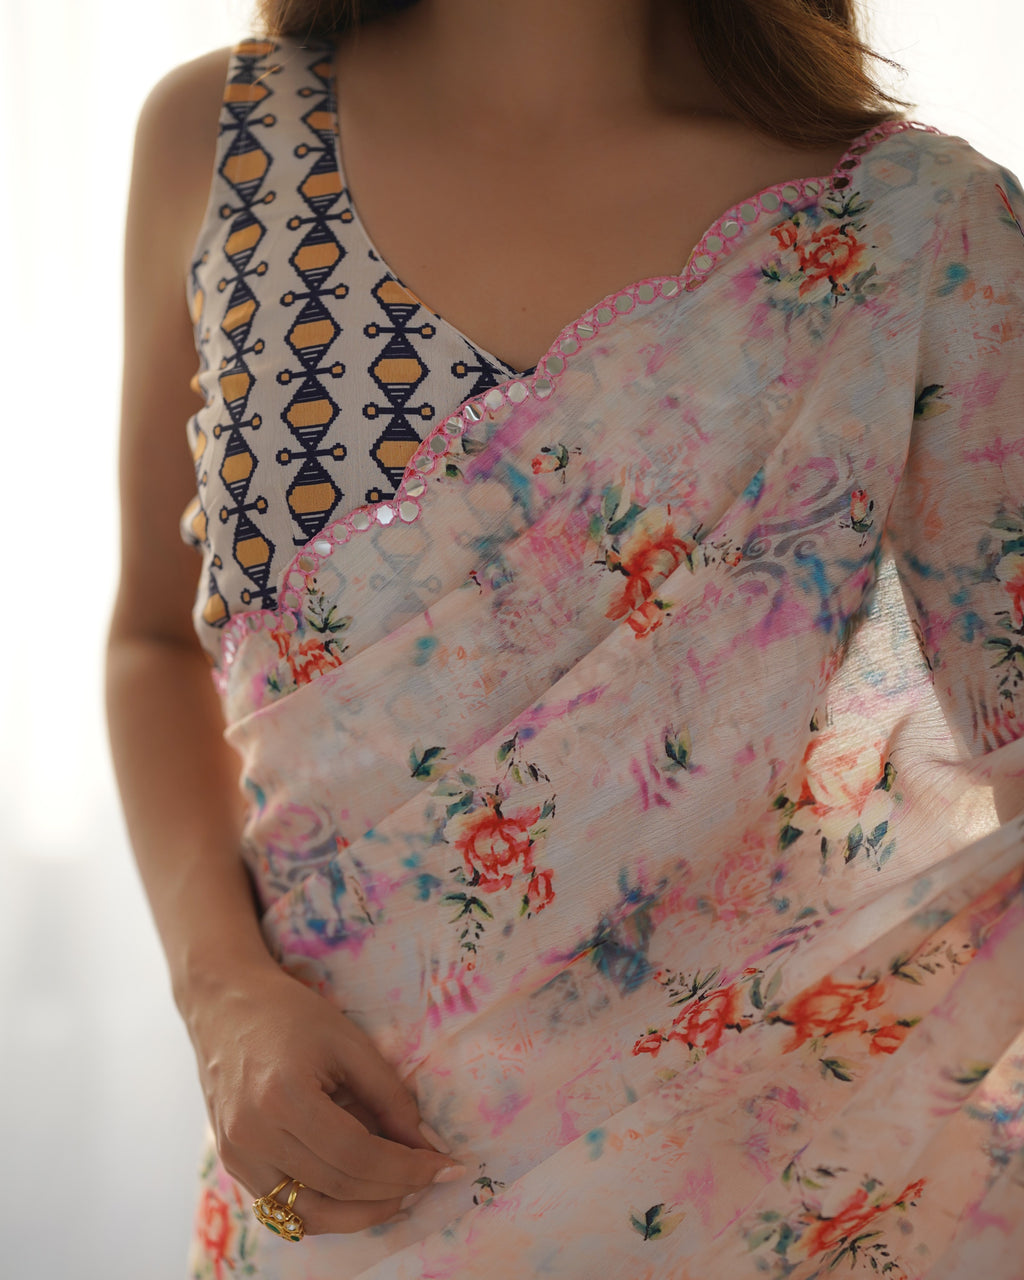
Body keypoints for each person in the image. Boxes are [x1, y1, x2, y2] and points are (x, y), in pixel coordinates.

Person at [105, 0, 1024, 1275]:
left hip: (762, 1198)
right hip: (341, 1184)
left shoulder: (916, 225)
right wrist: (222, 993)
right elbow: (153, 634)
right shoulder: (220, 139)